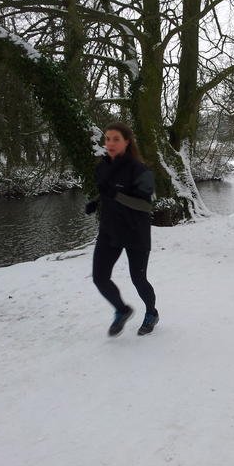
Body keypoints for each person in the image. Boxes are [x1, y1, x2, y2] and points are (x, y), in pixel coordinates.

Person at [85, 122, 158, 336]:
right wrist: (96, 200)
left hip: (135, 231)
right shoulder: (102, 167)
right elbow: (109, 191)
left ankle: (152, 313)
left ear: (127, 141)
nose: (110, 143)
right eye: (107, 139)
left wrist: (114, 195)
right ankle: (122, 310)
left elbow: (145, 205)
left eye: (116, 139)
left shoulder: (140, 170)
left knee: (138, 278)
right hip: (110, 230)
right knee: (99, 277)